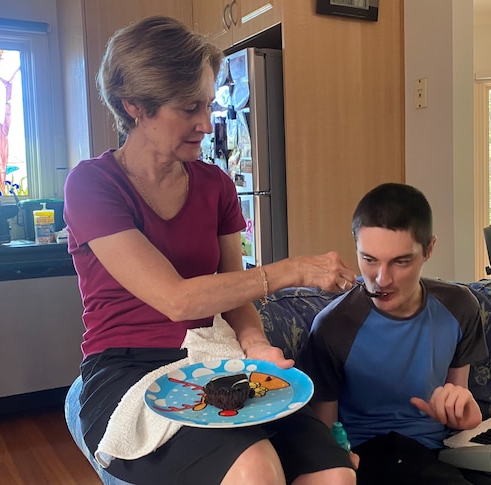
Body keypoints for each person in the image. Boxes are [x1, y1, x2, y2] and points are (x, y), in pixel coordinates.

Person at [63, 16, 357, 485]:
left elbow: (231, 294)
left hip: (216, 360)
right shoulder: (93, 185)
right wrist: (291, 270)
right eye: (189, 108)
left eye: (208, 104)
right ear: (134, 105)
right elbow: (176, 298)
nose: (205, 122)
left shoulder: (216, 185)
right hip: (127, 369)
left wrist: (256, 344)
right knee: (254, 469)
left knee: (333, 474)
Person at [299, 183, 491, 485]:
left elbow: (458, 400)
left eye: (400, 262)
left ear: (429, 249)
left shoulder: (459, 307)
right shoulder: (332, 327)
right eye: (369, 259)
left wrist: (466, 415)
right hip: (365, 457)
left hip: (434, 456)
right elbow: (326, 436)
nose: (381, 279)